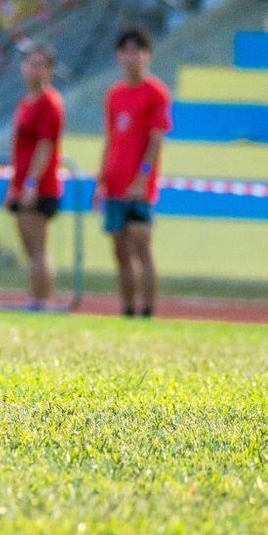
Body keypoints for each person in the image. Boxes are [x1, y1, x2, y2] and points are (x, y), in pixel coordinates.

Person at [99, 27, 172, 319]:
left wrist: (142, 178)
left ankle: (148, 310)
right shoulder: (115, 94)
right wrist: (102, 181)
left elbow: (156, 140)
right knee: (120, 251)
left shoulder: (156, 92)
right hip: (115, 184)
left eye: (138, 50)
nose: (132, 57)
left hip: (139, 187)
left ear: (148, 55)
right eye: (126, 51)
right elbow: (111, 139)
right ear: (119, 56)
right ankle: (127, 310)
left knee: (142, 246)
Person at [7, 43, 65, 309]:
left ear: (50, 70)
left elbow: (45, 145)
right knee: (30, 250)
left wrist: (31, 183)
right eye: (31, 64)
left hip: (40, 186)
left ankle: (43, 300)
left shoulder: (49, 102)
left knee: (39, 248)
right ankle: (35, 298)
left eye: (41, 64)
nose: (35, 70)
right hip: (21, 184)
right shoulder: (24, 103)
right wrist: (14, 184)